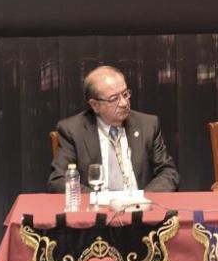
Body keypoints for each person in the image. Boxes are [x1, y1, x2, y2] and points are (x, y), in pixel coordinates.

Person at [48, 65, 179, 193]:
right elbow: (59, 180)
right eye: (114, 99)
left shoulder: (148, 125)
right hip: (97, 210)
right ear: (95, 105)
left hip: (139, 208)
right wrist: (100, 200)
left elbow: (168, 173)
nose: (123, 103)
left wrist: (142, 200)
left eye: (125, 94)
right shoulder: (72, 130)